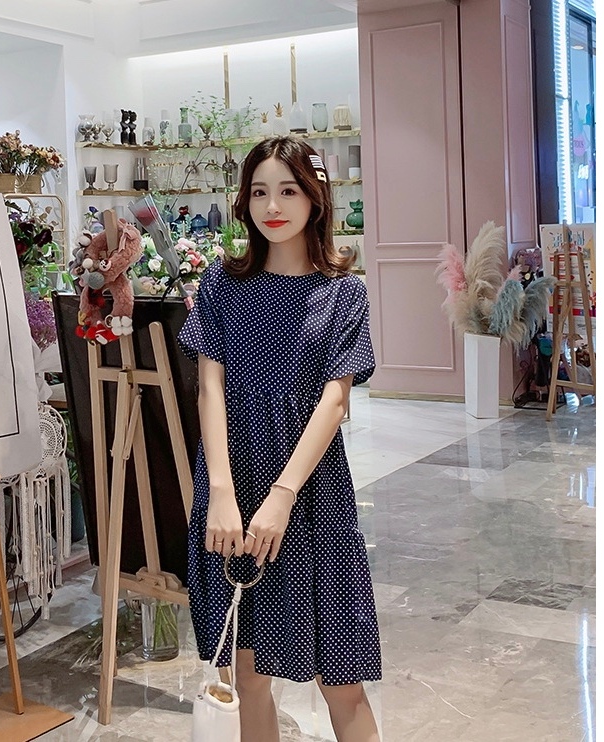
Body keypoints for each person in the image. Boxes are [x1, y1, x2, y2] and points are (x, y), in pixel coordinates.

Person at [178, 136, 381, 742]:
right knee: (246, 672)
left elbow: (335, 401)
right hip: (232, 485)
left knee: (342, 676)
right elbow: (210, 388)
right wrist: (220, 492)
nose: (272, 206)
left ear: (315, 198)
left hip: (313, 494)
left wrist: (283, 494)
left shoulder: (343, 292)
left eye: (288, 191)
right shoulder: (221, 285)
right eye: (259, 191)